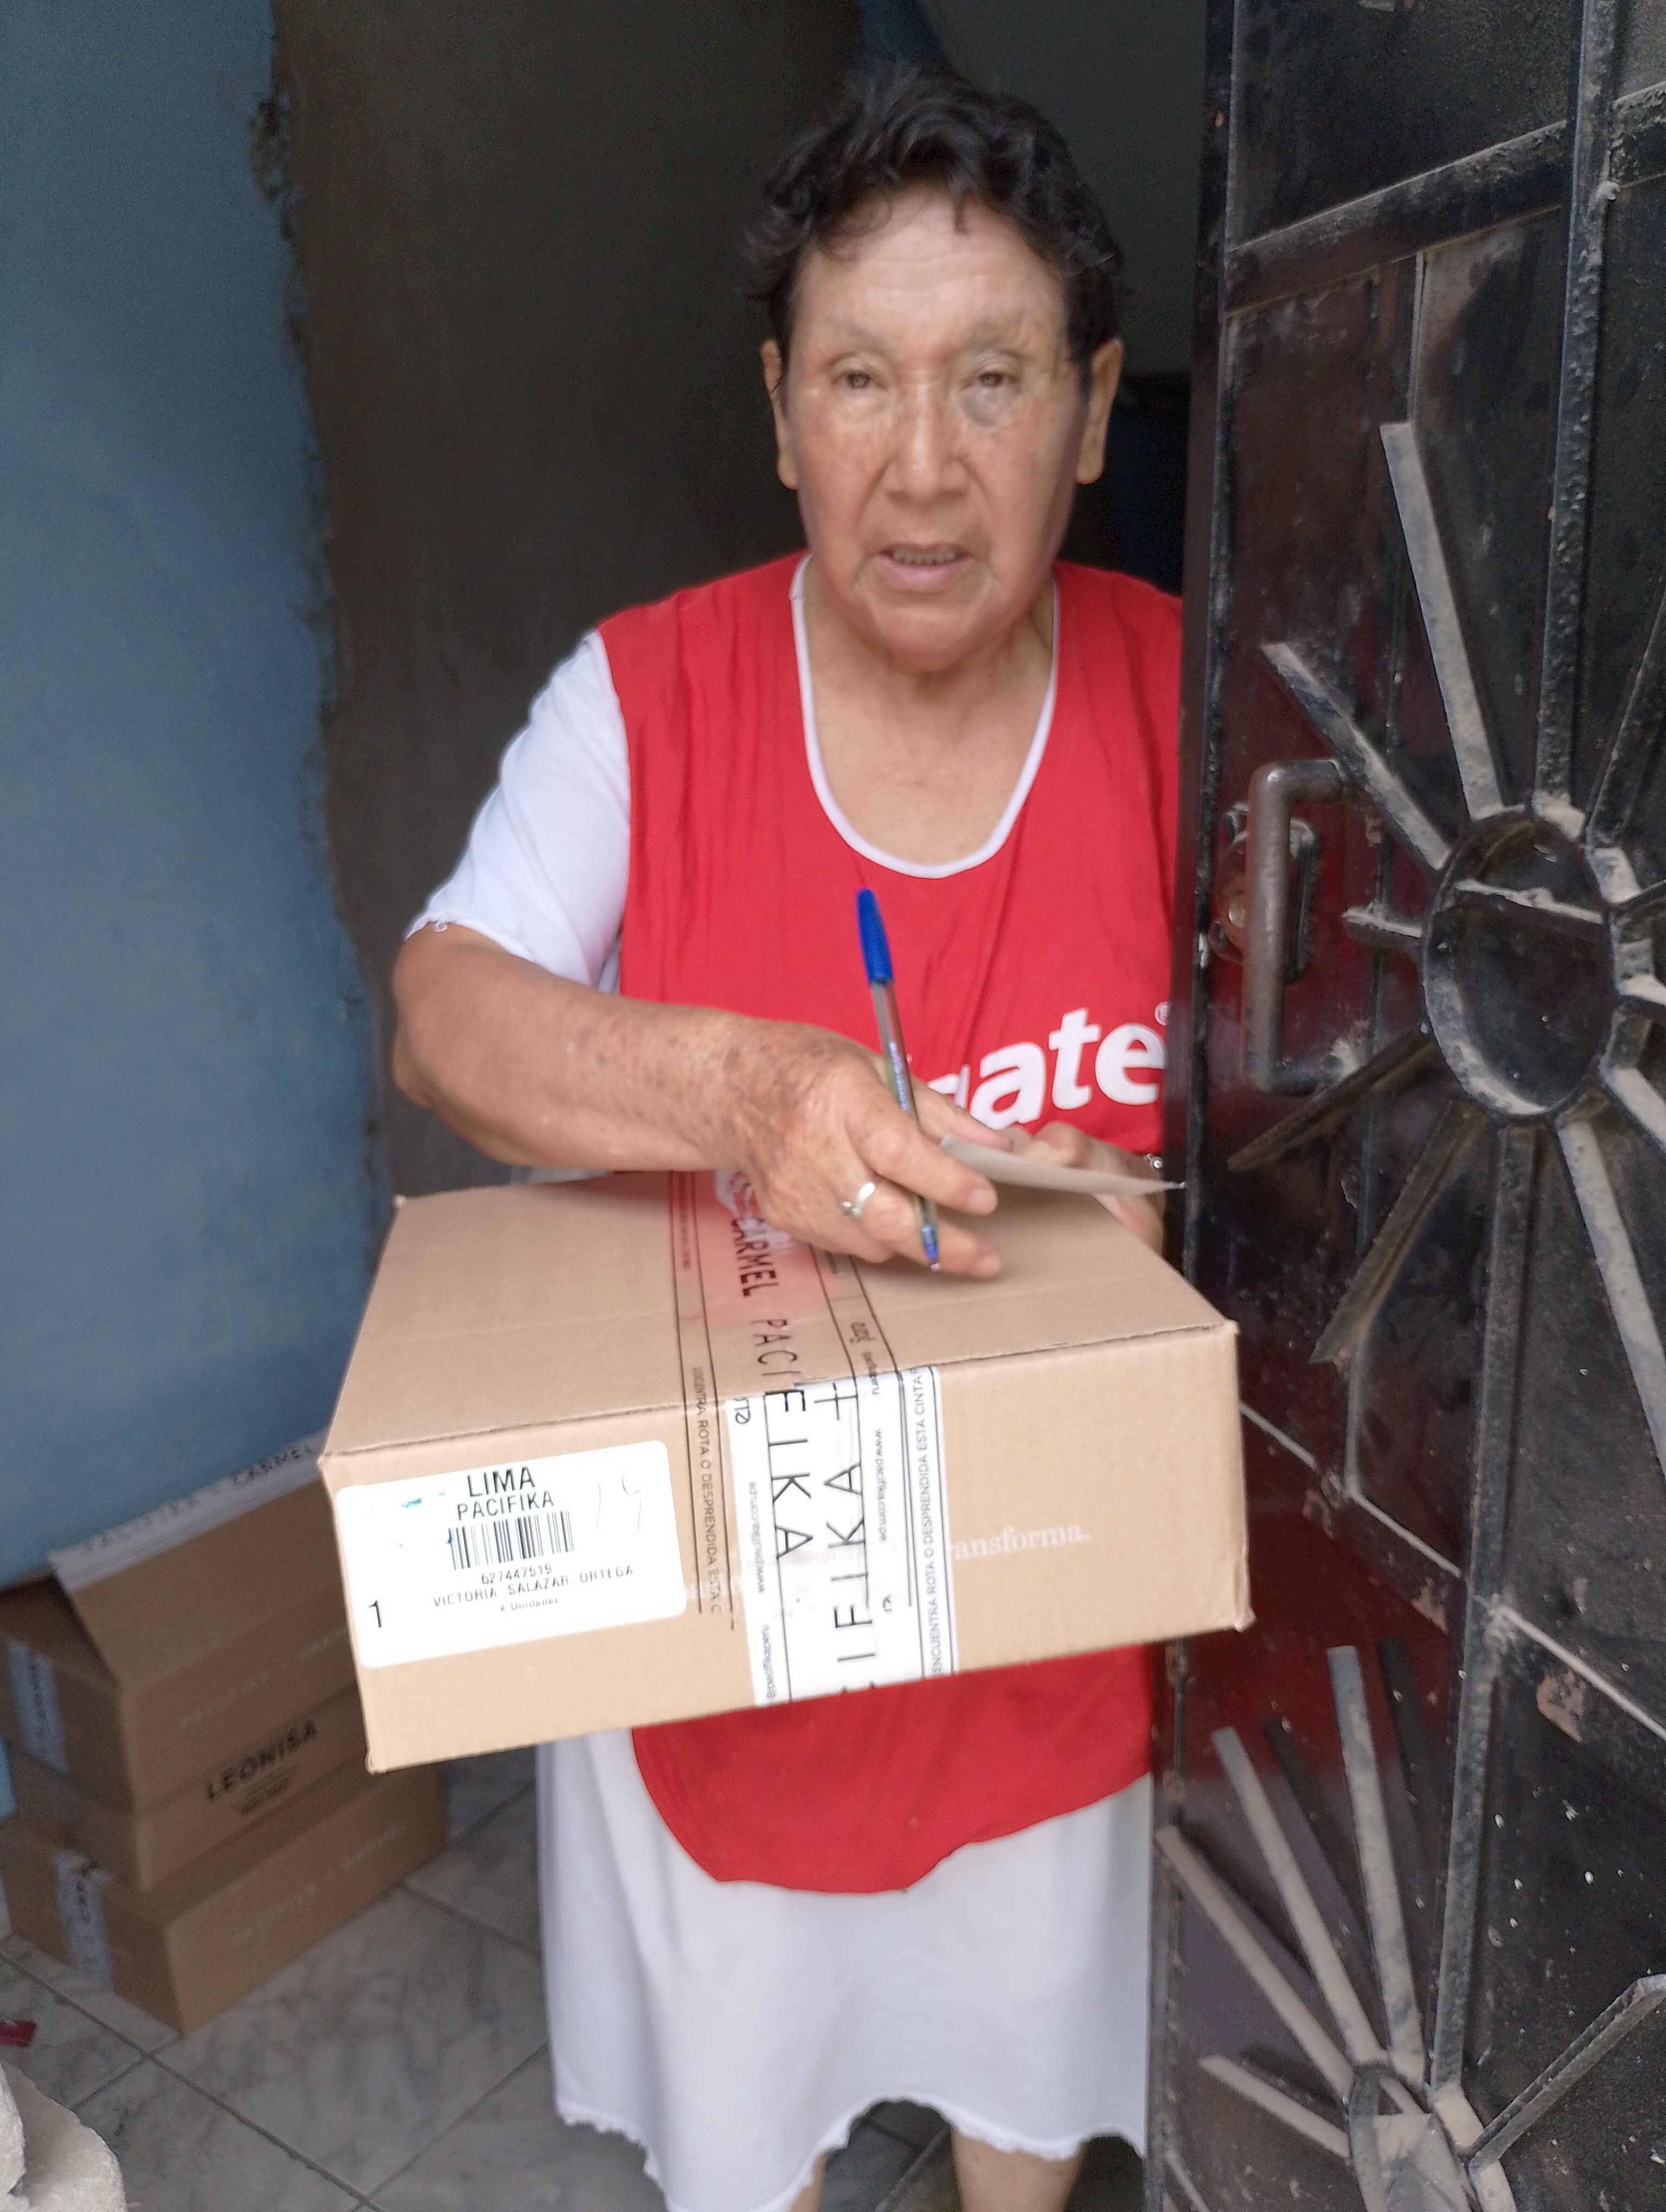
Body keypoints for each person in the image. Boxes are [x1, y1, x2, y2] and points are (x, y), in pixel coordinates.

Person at [392, 62, 1180, 2212]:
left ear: (1093, 412)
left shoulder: (1203, 704)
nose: (922, 467)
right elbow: (443, 1010)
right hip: (728, 1647)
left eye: (993, 378)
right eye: (857, 379)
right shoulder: (644, 700)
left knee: (1026, 2078)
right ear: (777, 412)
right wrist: (738, 1093)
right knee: (753, 2122)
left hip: (1049, 1617)